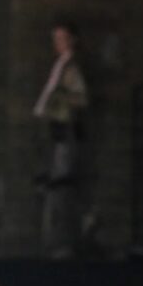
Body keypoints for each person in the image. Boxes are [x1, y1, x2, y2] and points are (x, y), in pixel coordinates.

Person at [32, 18, 89, 258]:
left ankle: (63, 244)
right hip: (55, 133)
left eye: (62, 38)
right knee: (51, 183)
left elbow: (79, 99)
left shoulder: (71, 68)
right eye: (55, 38)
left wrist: (61, 101)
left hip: (65, 134)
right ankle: (55, 242)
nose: (58, 43)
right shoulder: (61, 65)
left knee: (61, 184)